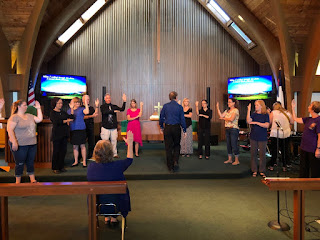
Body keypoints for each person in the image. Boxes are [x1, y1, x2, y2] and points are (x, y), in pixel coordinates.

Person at [87, 131, 134, 224]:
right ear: (111, 152)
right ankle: (113, 216)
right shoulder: (118, 165)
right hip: (117, 203)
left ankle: (107, 216)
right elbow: (129, 159)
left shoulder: (91, 167)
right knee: (115, 194)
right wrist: (130, 143)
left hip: (98, 203)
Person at [7, 100, 43, 183]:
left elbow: (39, 119)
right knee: (20, 163)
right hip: (20, 144)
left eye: (26, 105)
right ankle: (18, 181)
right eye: (24, 105)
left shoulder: (29, 115)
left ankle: (32, 179)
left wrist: (38, 109)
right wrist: (14, 142)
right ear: (19, 107)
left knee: (30, 162)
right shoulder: (14, 117)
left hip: (32, 143)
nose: (26, 107)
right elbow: (10, 130)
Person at [291, 99, 320, 178]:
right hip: (304, 147)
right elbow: (295, 119)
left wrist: (318, 148)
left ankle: (315, 184)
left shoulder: (318, 120)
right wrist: (293, 108)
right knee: (303, 167)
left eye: (310, 105)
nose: (308, 107)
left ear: (313, 109)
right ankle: (303, 182)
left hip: (313, 148)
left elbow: (319, 135)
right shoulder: (308, 119)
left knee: (315, 167)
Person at [159, 91, 186, 172]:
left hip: (167, 128)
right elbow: (182, 119)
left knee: (168, 147)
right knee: (177, 145)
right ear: (176, 98)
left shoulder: (165, 106)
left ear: (169, 98)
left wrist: (161, 127)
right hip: (177, 128)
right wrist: (184, 129)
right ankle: (175, 160)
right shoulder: (180, 107)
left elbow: (161, 118)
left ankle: (170, 166)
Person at [50, 97, 74, 174]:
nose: (60, 104)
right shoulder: (52, 113)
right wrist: (66, 120)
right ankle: (55, 167)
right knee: (56, 151)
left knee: (63, 151)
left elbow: (72, 117)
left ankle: (61, 166)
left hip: (64, 134)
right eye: (59, 103)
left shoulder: (63, 112)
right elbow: (57, 122)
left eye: (61, 103)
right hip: (57, 135)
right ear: (55, 104)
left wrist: (72, 109)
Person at [246, 100, 270, 178]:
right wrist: (248, 110)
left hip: (262, 137)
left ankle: (262, 170)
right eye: (255, 105)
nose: (255, 106)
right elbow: (248, 121)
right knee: (253, 153)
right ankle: (254, 170)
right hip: (253, 136)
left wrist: (256, 123)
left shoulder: (265, 115)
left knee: (262, 154)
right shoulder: (254, 114)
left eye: (257, 105)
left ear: (261, 106)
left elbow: (267, 125)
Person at [268, 101, 293, 171]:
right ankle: (285, 166)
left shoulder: (273, 112)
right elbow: (292, 122)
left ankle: (272, 165)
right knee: (285, 150)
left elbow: (269, 122)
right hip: (286, 134)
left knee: (274, 150)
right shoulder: (287, 112)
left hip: (275, 134)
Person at [100, 93, 126, 158]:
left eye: (109, 98)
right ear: (105, 99)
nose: (108, 99)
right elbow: (105, 112)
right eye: (107, 98)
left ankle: (114, 153)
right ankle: (105, 154)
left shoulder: (114, 106)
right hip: (105, 127)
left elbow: (122, 109)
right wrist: (113, 111)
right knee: (105, 142)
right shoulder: (102, 106)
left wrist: (124, 101)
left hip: (113, 127)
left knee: (114, 141)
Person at [217, 98, 240, 165]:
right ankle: (230, 159)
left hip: (233, 129)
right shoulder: (227, 110)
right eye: (228, 102)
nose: (228, 103)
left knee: (234, 144)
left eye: (230, 102)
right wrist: (218, 108)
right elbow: (221, 115)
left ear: (233, 103)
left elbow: (231, 119)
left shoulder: (235, 110)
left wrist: (223, 118)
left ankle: (236, 160)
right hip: (227, 129)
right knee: (228, 144)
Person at [67, 97, 89, 167]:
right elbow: (71, 117)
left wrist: (85, 103)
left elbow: (87, 112)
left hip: (81, 128)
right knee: (74, 146)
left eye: (78, 102)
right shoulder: (69, 110)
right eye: (75, 102)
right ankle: (76, 161)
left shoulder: (81, 109)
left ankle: (84, 161)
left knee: (82, 145)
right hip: (73, 129)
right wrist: (72, 108)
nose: (77, 104)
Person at [82, 95, 99, 159]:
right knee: (82, 143)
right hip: (83, 127)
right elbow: (82, 117)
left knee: (91, 142)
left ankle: (90, 155)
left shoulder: (91, 108)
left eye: (88, 99)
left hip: (90, 126)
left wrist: (97, 106)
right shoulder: (81, 108)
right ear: (83, 100)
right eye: (86, 99)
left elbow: (95, 114)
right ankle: (81, 157)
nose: (88, 100)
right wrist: (91, 116)